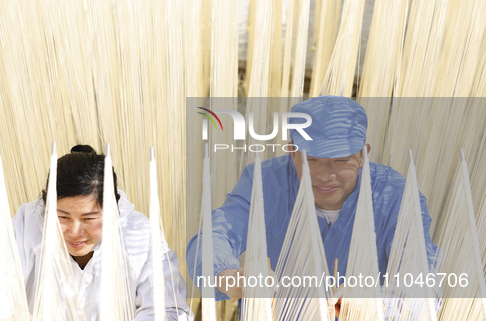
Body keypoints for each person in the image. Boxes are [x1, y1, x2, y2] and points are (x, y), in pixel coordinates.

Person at [186, 95, 439, 302]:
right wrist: (231, 277)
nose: (325, 175)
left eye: (341, 161)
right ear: (292, 152)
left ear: (364, 155)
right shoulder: (263, 183)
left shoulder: (395, 196)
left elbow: (422, 276)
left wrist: (375, 303)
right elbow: (213, 236)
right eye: (311, 160)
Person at [0, 144, 192, 321]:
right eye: (62, 216)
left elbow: (170, 312)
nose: (74, 231)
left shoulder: (139, 237)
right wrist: (11, 317)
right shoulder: (29, 224)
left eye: (89, 218)